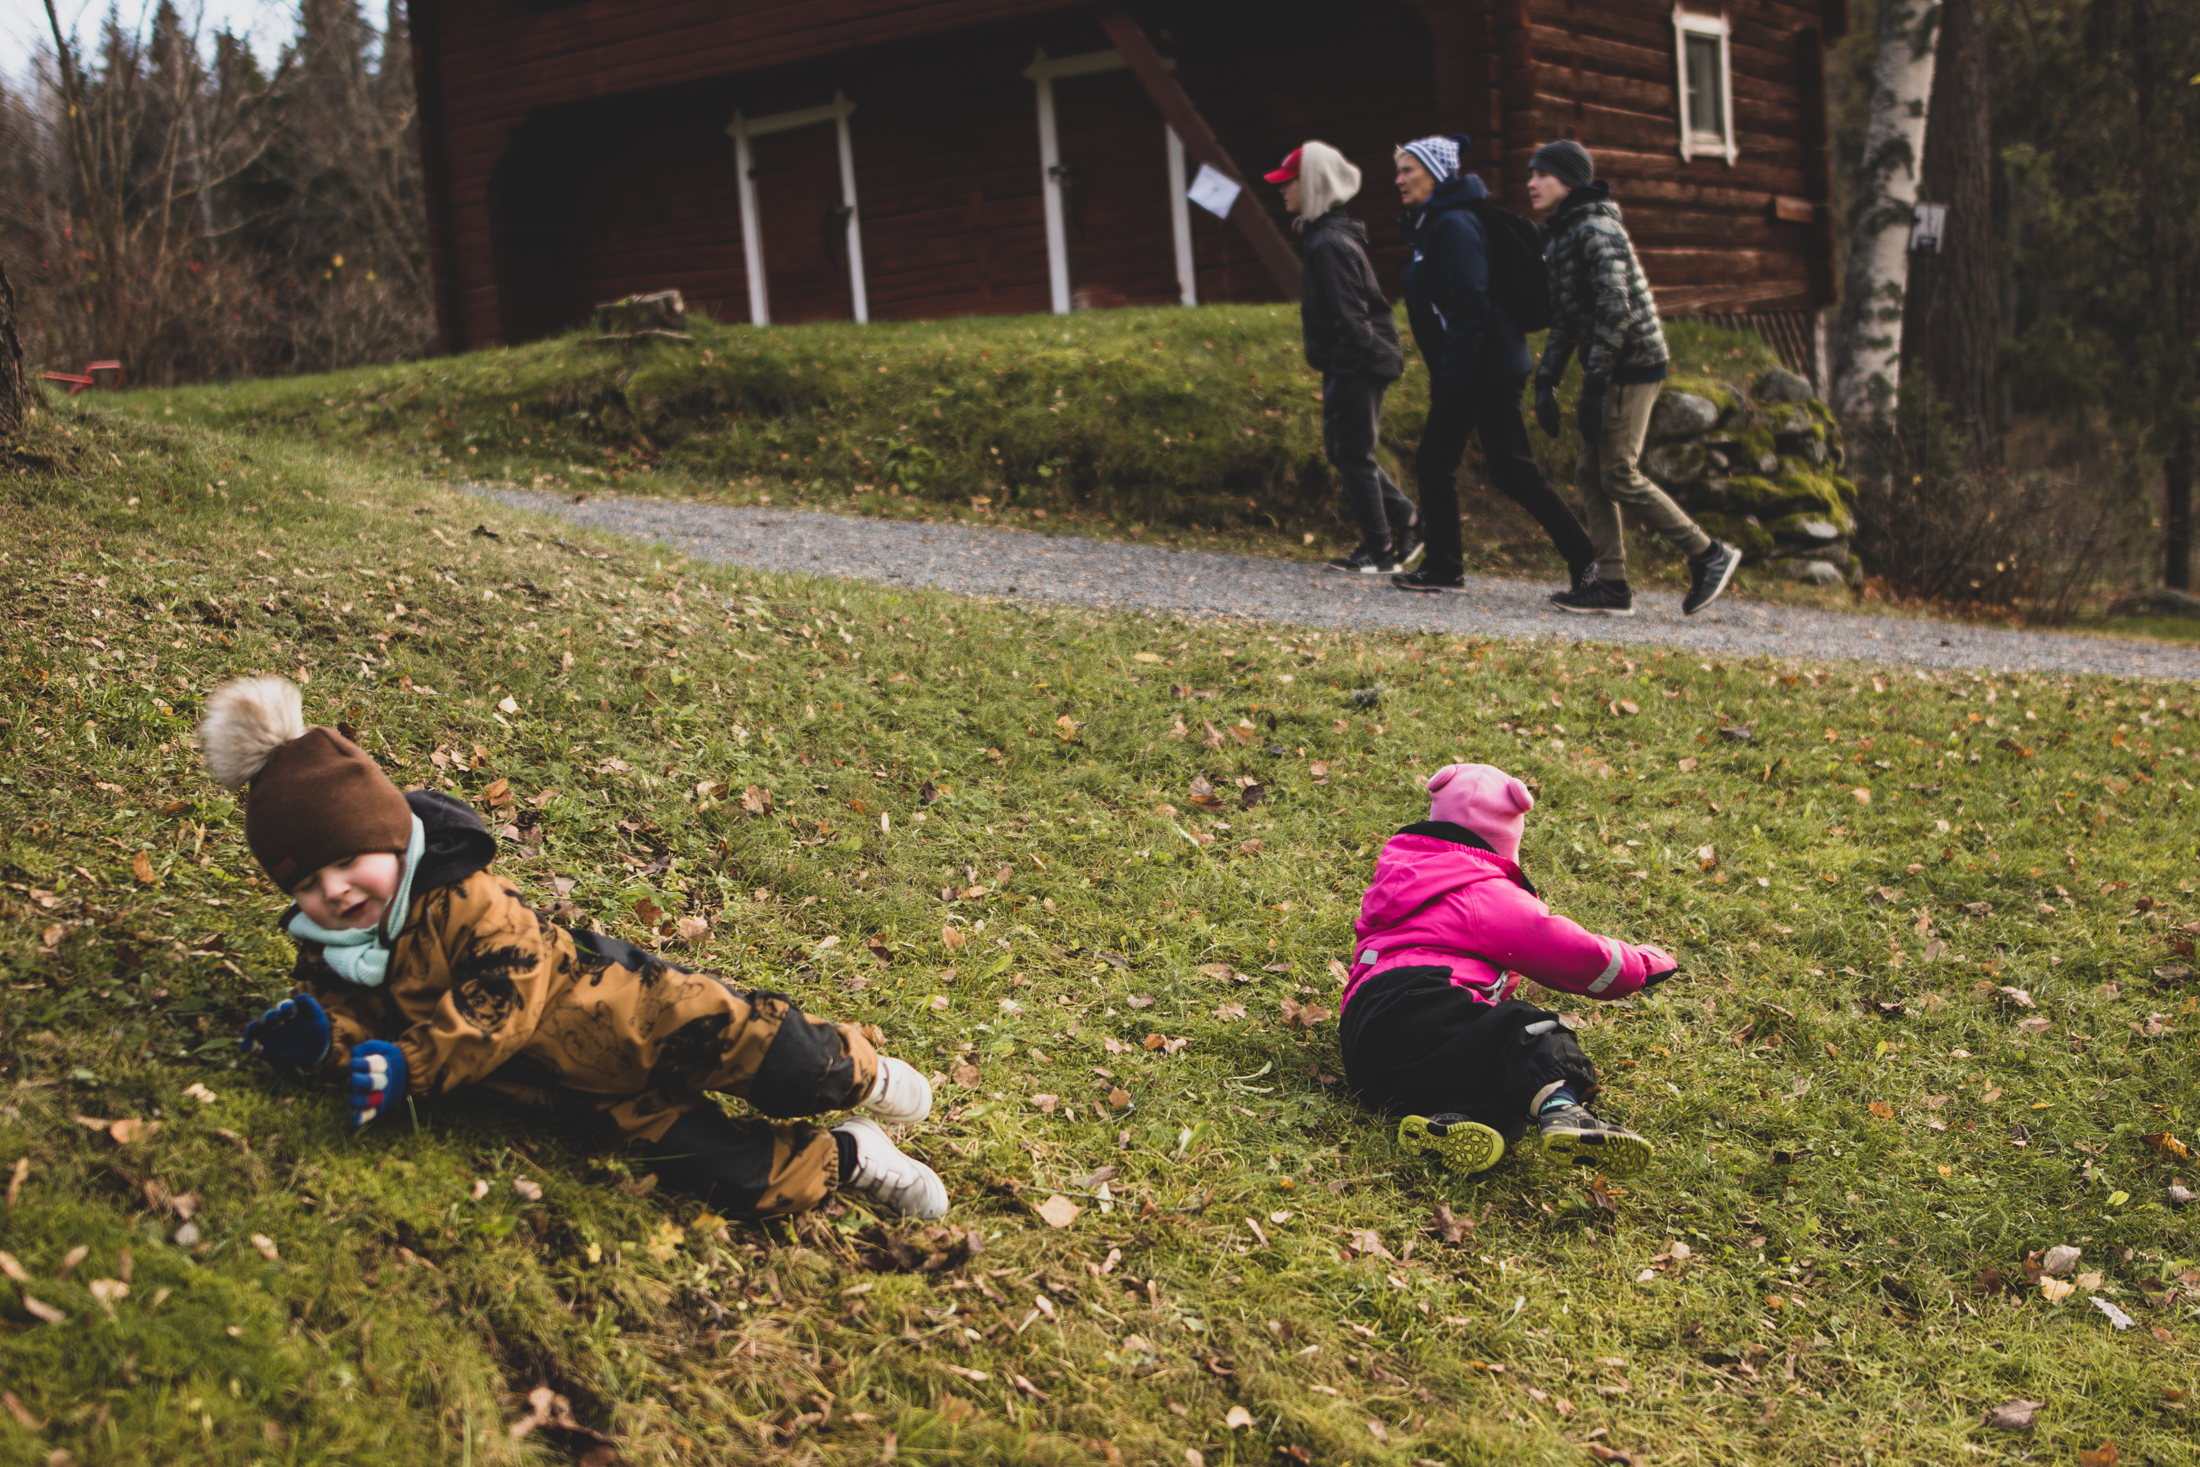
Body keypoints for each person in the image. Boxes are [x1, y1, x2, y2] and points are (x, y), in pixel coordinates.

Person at [203, 675, 949, 1221]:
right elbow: (357, 1030)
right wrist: (321, 1039)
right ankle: (855, 1157)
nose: (333, 891)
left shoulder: (467, 898)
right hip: (590, 1099)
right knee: (732, 1174)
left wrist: (415, 1065)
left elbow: (505, 998)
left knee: (787, 1058)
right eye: (307, 880)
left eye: (347, 859)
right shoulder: (330, 954)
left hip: (651, 1016)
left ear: (391, 835)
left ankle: (866, 1077)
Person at [1337, 761, 1671, 1175]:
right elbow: (1563, 949)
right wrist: (1640, 965)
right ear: (1504, 840)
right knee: (1528, 1033)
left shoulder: (1398, 877)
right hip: (1422, 999)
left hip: (1364, 1041)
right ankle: (1565, 1112)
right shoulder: (1480, 888)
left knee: (1487, 1065)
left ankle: (1452, 1122)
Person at [1527, 139, 1739, 617]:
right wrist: (1547, 380)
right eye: (1530, 174)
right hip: (1606, 365)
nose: (1531, 183)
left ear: (1568, 180)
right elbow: (1566, 319)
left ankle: (1708, 554)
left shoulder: (1597, 229)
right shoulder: (1562, 235)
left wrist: (1596, 386)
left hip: (1632, 364)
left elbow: (1616, 311)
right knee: (1588, 472)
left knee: (1617, 472)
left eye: (1541, 174)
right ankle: (1612, 585)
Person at [1384, 133, 1598, 596]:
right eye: (1398, 170)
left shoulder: (1454, 223)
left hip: (1487, 365)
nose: (1398, 179)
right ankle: (1444, 566)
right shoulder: (1435, 222)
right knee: (1449, 461)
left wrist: (1453, 378)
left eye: (1407, 169)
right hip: (1474, 364)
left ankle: (1586, 562)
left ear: (1435, 173)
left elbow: (1470, 304)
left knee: (1507, 469)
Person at [1266, 142, 1421, 574]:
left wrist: (1344, 374)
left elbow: (1355, 322)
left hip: (1359, 362)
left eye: (1288, 183)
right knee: (1343, 450)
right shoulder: (1324, 238)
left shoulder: (1329, 244)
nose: (1282, 191)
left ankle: (1380, 551)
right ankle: (1407, 519)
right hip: (1352, 361)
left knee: (1353, 453)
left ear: (1312, 184)